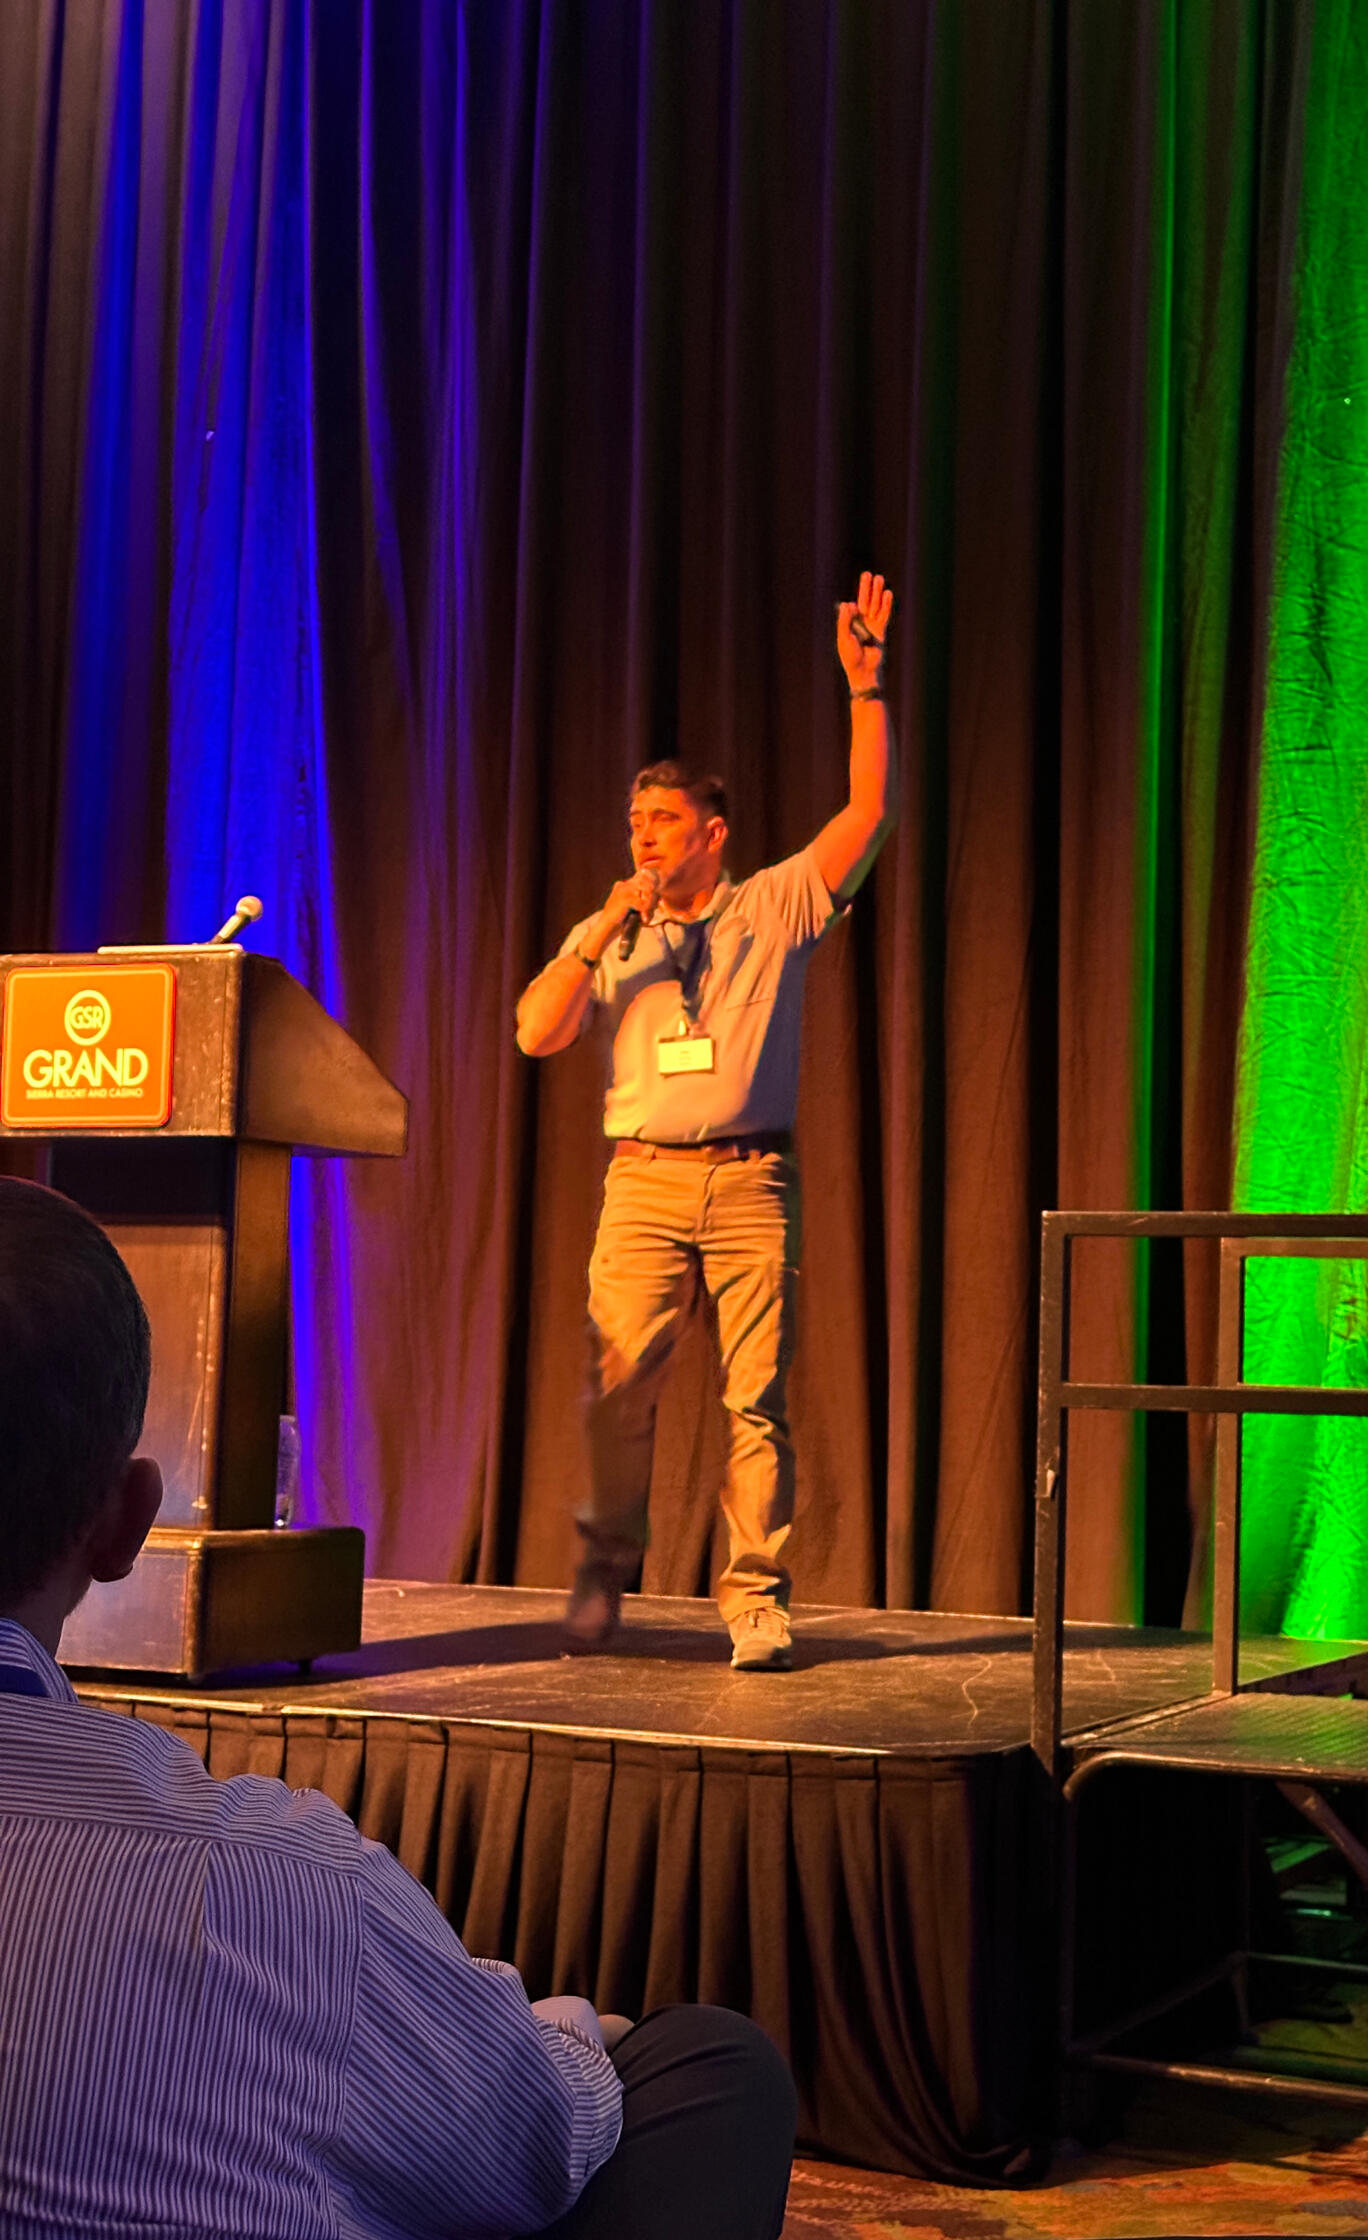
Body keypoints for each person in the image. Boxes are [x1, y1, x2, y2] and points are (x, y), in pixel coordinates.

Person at [0, 1175, 795, 2240]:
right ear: (128, 1521)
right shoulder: (286, 1889)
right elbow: (537, 2140)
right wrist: (569, 2030)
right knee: (714, 2064)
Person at [516, 573, 897, 1672]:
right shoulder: (615, 932)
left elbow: (867, 816)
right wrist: (601, 927)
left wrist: (865, 691)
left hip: (747, 1180)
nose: (644, 838)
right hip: (640, 1180)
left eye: (665, 822)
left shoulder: (773, 904)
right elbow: (535, 1032)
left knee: (755, 1399)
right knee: (617, 1395)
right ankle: (603, 1579)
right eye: (635, 821)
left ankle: (756, 1600)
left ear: (713, 833)